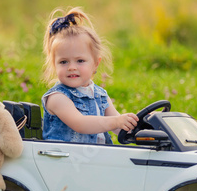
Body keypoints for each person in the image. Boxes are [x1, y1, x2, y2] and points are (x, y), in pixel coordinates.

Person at [41, 7, 138, 143]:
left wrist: (138, 123)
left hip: (96, 161)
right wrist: (116, 121)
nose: (72, 67)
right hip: (64, 161)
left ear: (95, 64)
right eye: (63, 62)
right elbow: (80, 123)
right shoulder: (57, 98)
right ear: (54, 64)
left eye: (80, 61)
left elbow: (119, 128)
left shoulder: (100, 95)